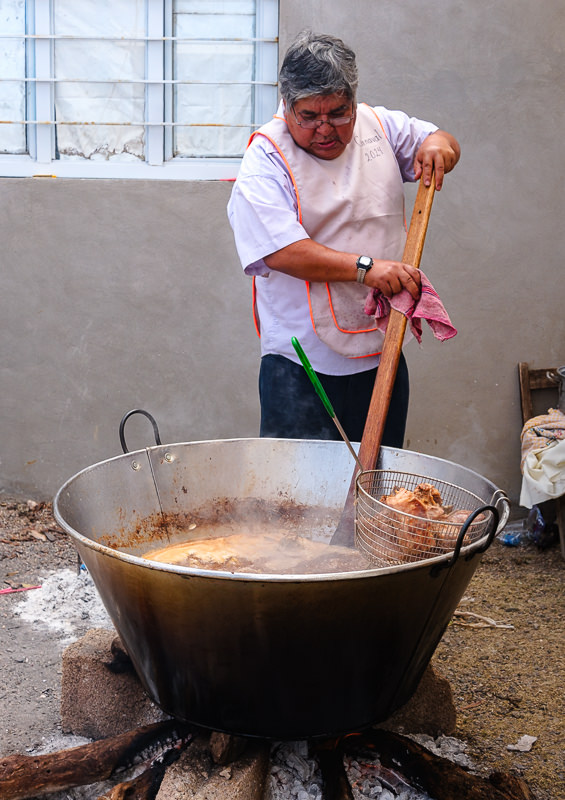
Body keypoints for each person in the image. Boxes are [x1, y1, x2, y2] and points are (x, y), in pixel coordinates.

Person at [227, 30, 460, 446]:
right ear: (287, 105)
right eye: (309, 116)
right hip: (301, 368)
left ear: (353, 100)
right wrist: (366, 270)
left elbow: (438, 140)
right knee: (296, 500)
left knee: (376, 490)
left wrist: (439, 148)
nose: (325, 129)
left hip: (382, 351)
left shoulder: (377, 125)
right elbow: (282, 251)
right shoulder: (266, 158)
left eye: (338, 113)